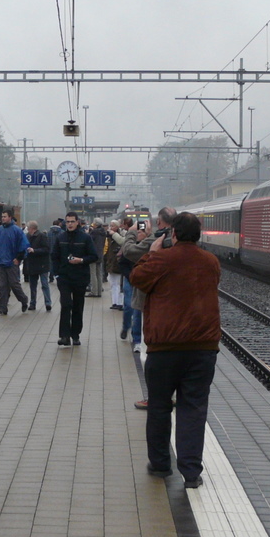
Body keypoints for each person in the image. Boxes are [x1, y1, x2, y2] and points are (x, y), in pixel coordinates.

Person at [129, 212, 221, 489]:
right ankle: (191, 473)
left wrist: (152, 252)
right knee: (193, 408)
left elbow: (137, 278)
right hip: (203, 348)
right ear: (199, 234)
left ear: (174, 234)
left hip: (165, 348)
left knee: (159, 406)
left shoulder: (162, 259)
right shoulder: (211, 262)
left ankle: (160, 465)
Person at [121, 207, 176, 356]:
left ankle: (141, 345)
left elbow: (129, 251)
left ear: (158, 221)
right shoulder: (178, 240)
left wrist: (132, 232)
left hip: (151, 296)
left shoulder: (157, 240)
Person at [50, 211, 98, 346]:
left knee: (78, 305)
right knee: (65, 305)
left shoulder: (85, 238)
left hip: (80, 277)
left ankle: (75, 334)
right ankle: (64, 336)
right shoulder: (61, 238)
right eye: (67, 221)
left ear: (77, 222)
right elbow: (54, 256)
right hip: (64, 277)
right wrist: (57, 274)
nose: (69, 224)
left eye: (72, 221)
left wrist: (81, 260)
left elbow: (94, 256)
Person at [0, 209, 30, 315]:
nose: (3, 218)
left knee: (14, 284)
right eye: (2, 216)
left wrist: (19, 258)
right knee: (2, 286)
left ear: (10, 217)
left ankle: (23, 299)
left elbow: (23, 245)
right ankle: (2, 308)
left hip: (12, 262)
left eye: (5, 216)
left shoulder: (17, 230)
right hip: (1, 262)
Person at [23, 220, 52, 311]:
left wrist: (34, 250)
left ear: (32, 228)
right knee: (33, 285)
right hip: (32, 264)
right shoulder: (27, 236)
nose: (27, 229)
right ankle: (32, 303)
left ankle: (48, 303)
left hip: (42, 264)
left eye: (28, 228)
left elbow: (47, 249)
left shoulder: (42, 236)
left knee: (44, 284)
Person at [105, 218, 127, 310]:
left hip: (118, 263)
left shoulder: (121, 235)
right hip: (111, 262)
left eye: (112, 226)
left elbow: (122, 242)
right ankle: (114, 302)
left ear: (117, 227)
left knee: (118, 283)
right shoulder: (109, 237)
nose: (110, 227)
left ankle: (120, 302)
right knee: (113, 283)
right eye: (110, 225)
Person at [87, 219, 106, 297]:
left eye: (94, 223)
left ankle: (94, 291)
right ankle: (99, 291)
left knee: (93, 274)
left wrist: (88, 233)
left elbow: (89, 241)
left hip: (93, 254)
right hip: (100, 254)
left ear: (96, 224)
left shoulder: (94, 232)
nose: (93, 224)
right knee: (99, 274)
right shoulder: (103, 232)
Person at [47, 219, 63, 283]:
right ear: (59, 224)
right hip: (60, 252)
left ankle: (51, 278)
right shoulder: (62, 232)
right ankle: (59, 277)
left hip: (51, 251)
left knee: (51, 265)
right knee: (59, 265)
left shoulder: (49, 233)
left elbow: (47, 243)